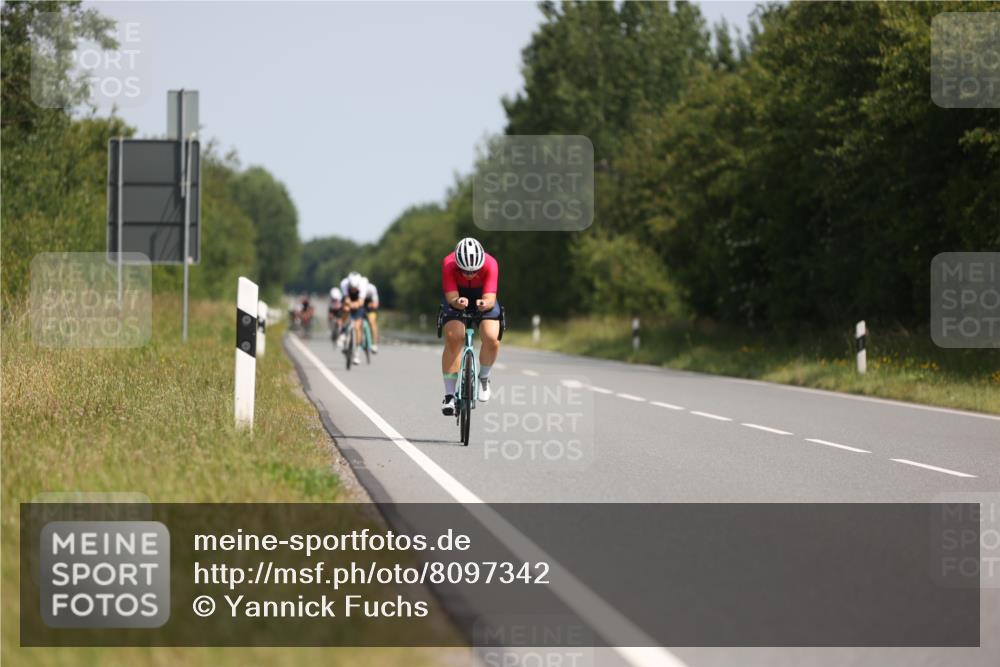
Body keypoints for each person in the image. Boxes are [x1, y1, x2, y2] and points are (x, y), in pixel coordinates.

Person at [439, 237, 501, 416]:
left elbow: (490, 299)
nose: (469, 274)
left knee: (491, 338)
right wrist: (458, 302)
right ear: (457, 264)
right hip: (457, 298)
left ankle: (484, 378)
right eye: (464, 271)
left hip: (483, 297)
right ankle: (449, 395)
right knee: (454, 337)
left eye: (474, 271)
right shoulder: (448, 263)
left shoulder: (491, 264)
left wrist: (484, 304)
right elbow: (451, 297)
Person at [339, 272, 369, 365]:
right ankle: (343, 331)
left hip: (359, 303)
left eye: (354, 288)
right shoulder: (344, 283)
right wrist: (348, 306)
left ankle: (357, 353)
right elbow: (346, 298)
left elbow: (360, 302)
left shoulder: (363, 284)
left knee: (357, 327)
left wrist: (353, 305)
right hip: (349, 301)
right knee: (345, 310)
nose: (353, 290)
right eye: (351, 288)